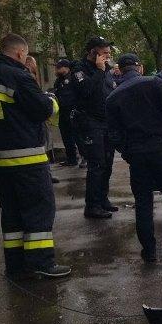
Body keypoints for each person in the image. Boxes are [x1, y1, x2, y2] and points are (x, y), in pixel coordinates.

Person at [0, 33, 70, 279]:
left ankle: (16, 266)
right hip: (27, 157)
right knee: (39, 211)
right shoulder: (19, 76)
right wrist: (51, 99)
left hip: (0, 159)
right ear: (20, 53)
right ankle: (41, 263)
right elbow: (42, 110)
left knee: (13, 214)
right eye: (26, 55)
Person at [105, 53, 162, 264]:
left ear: (120, 70)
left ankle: (149, 251)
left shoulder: (112, 97)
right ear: (139, 67)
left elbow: (113, 134)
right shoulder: (155, 83)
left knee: (143, 201)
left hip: (137, 155)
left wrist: (127, 151)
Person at [69, 36, 117, 219]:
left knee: (108, 163)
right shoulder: (79, 70)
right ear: (93, 52)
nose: (108, 56)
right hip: (90, 122)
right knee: (97, 164)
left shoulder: (106, 70)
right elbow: (86, 91)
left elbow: (110, 90)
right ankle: (92, 205)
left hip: (106, 122)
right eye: (104, 53)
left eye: (108, 53)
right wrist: (98, 71)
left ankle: (102, 199)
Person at [53, 59, 79, 166]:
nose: (56, 70)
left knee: (77, 136)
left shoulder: (73, 78)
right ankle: (71, 158)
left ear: (66, 68)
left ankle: (84, 156)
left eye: (58, 68)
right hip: (62, 113)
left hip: (72, 112)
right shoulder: (58, 81)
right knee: (66, 137)